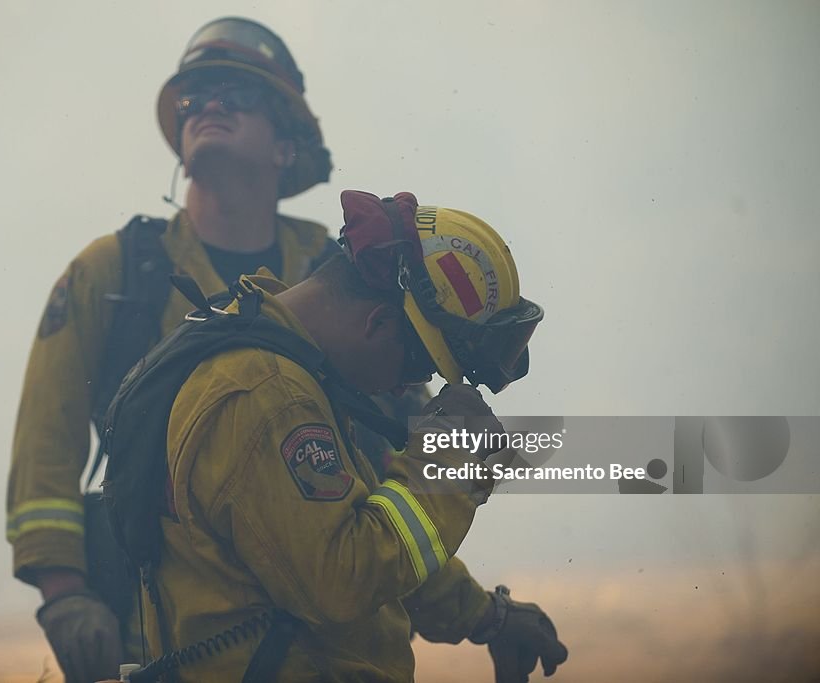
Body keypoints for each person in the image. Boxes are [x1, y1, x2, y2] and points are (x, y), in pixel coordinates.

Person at [102, 190, 567, 682]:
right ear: (380, 320)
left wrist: (486, 617)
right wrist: (450, 465)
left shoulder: (284, 361)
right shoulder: (270, 394)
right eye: (419, 364)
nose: (408, 386)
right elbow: (343, 578)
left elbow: (362, 530)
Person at [6, 17, 346, 683]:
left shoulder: (332, 274)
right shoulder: (113, 274)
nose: (208, 104)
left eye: (237, 93)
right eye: (195, 95)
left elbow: (399, 440)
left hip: (324, 638)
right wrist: (66, 595)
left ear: (286, 145)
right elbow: (45, 446)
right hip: (156, 635)